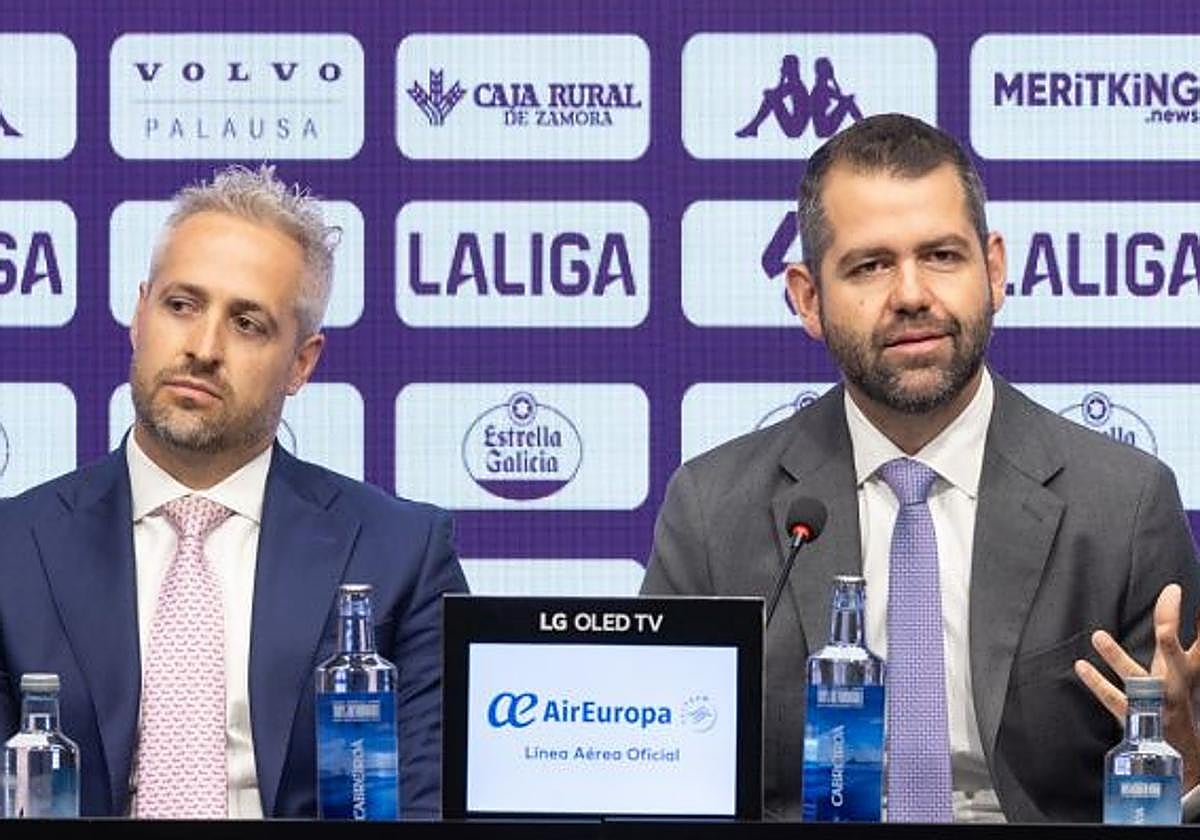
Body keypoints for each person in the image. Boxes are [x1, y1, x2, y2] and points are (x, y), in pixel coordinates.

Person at [640, 113, 1199, 822]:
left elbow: (1177, 792)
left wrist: (1184, 740)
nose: (910, 294)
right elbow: (657, 780)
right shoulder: (714, 509)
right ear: (807, 298)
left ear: (993, 270)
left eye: (941, 256)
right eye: (870, 265)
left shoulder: (1120, 505)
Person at [0, 165, 469, 819]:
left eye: (247, 323)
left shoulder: (400, 555)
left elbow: (429, 810)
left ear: (302, 363)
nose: (203, 347)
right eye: (181, 305)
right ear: (140, 315)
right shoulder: (13, 550)